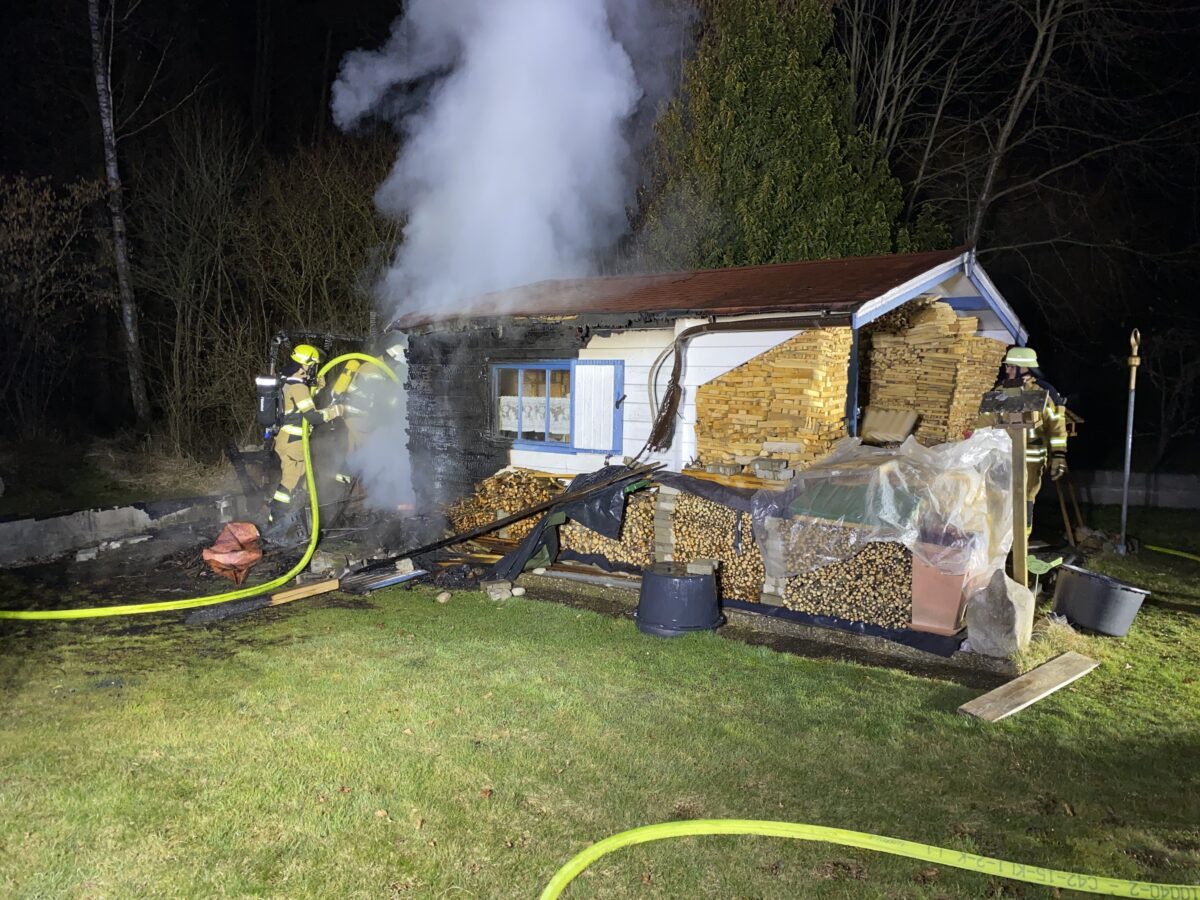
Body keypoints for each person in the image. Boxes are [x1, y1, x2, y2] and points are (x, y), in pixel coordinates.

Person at [265, 344, 343, 536]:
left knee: (303, 478)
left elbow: (299, 405)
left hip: (287, 439)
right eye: (313, 365)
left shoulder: (287, 381)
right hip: (293, 442)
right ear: (305, 365)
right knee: (290, 482)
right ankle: (274, 522)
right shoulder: (298, 387)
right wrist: (337, 411)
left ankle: (300, 517)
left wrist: (317, 385)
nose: (313, 369)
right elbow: (314, 418)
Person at [991, 346, 1069, 531]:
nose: (1007, 370)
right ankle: (1002, 556)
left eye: (1011, 366)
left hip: (1030, 462)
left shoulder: (1045, 394)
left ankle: (1021, 553)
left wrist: (1059, 455)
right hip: (1001, 461)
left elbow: (1057, 428)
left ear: (1025, 368)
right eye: (1007, 366)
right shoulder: (998, 392)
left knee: (1024, 506)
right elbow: (984, 424)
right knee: (998, 508)